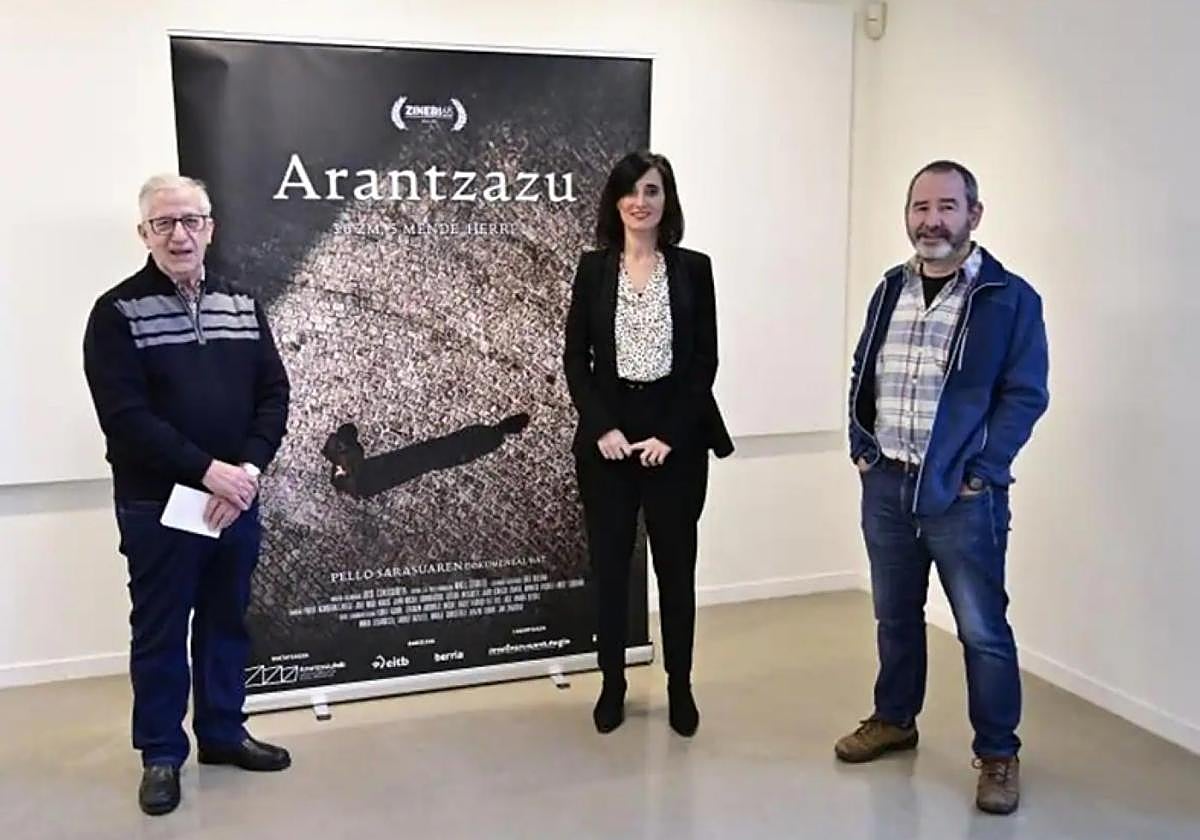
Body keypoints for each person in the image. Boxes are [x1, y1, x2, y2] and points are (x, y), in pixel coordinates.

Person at [839, 160, 1049, 815]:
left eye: (947, 207)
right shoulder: (889, 289)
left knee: (982, 631)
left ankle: (998, 753)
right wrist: (861, 446)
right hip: (886, 487)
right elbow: (864, 368)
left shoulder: (1009, 298)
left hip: (962, 498)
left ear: (973, 215)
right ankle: (894, 719)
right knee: (895, 616)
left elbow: (1025, 394)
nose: (931, 220)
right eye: (920, 207)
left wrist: (981, 472)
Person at [83, 174, 292, 816]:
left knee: (227, 622)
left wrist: (245, 472)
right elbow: (126, 419)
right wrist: (209, 472)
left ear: (210, 228)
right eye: (164, 223)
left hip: (235, 501)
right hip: (159, 507)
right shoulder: (115, 313)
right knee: (161, 631)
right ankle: (161, 755)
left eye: (191, 221)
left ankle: (224, 734)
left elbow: (273, 394)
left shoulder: (243, 304)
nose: (179, 234)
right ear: (144, 233)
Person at [564, 151, 733, 737]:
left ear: (667, 200)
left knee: (676, 571)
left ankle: (680, 686)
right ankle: (612, 684)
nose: (641, 201)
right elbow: (576, 359)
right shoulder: (593, 269)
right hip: (609, 440)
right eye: (631, 191)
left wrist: (671, 435)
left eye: (653, 190)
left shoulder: (693, 269)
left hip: (674, 437)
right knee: (610, 572)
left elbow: (704, 361)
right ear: (616, 201)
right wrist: (603, 427)